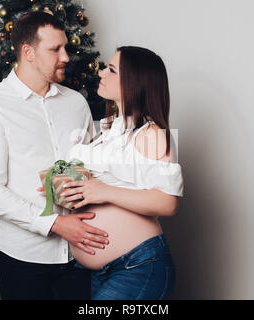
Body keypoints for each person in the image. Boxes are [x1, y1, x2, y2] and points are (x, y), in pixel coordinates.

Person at [0, 12, 109, 300]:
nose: (66, 57)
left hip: (81, 256)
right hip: (23, 260)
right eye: (55, 49)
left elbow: (92, 168)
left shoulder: (76, 102)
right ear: (28, 53)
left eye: (65, 47)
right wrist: (55, 224)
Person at [38, 46, 184, 299]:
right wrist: (63, 186)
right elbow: (102, 181)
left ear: (134, 81)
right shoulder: (109, 130)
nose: (102, 73)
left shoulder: (150, 134)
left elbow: (167, 202)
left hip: (137, 266)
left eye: (112, 70)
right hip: (101, 270)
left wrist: (102, 192)